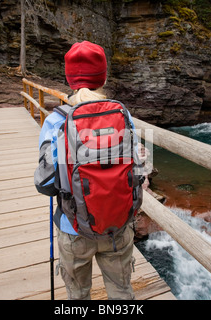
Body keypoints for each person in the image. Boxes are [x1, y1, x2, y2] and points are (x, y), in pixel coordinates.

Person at [35, 41, 136, 300]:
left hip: (74, 228)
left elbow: (45, 184)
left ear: (70, 79)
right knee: (122, 292)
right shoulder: (123, 114)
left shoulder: (56, 120)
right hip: (118, 226)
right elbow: (136, 164)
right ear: (102, 77)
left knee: (78, 296)